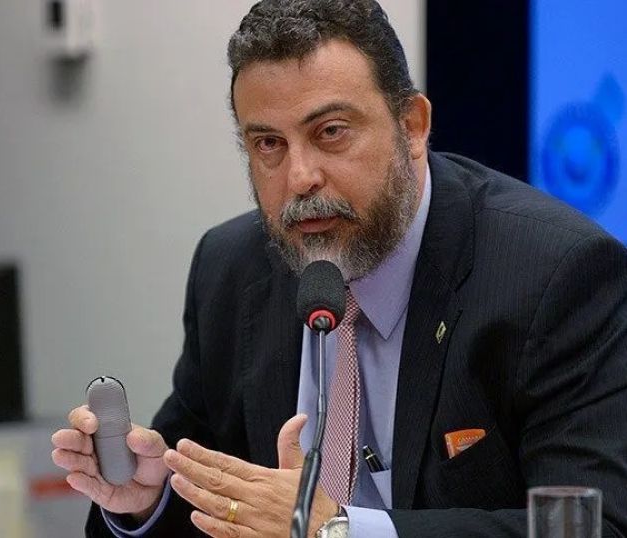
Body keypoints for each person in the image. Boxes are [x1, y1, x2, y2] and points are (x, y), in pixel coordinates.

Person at [51, 1, 627, 536]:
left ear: (413, 126)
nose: (300, 177)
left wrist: (340, 530)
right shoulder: (230, 270)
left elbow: (599, 524)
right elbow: (224, 504)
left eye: (330, 132)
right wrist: (149, 500)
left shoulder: (555, 274)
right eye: (268, 144)